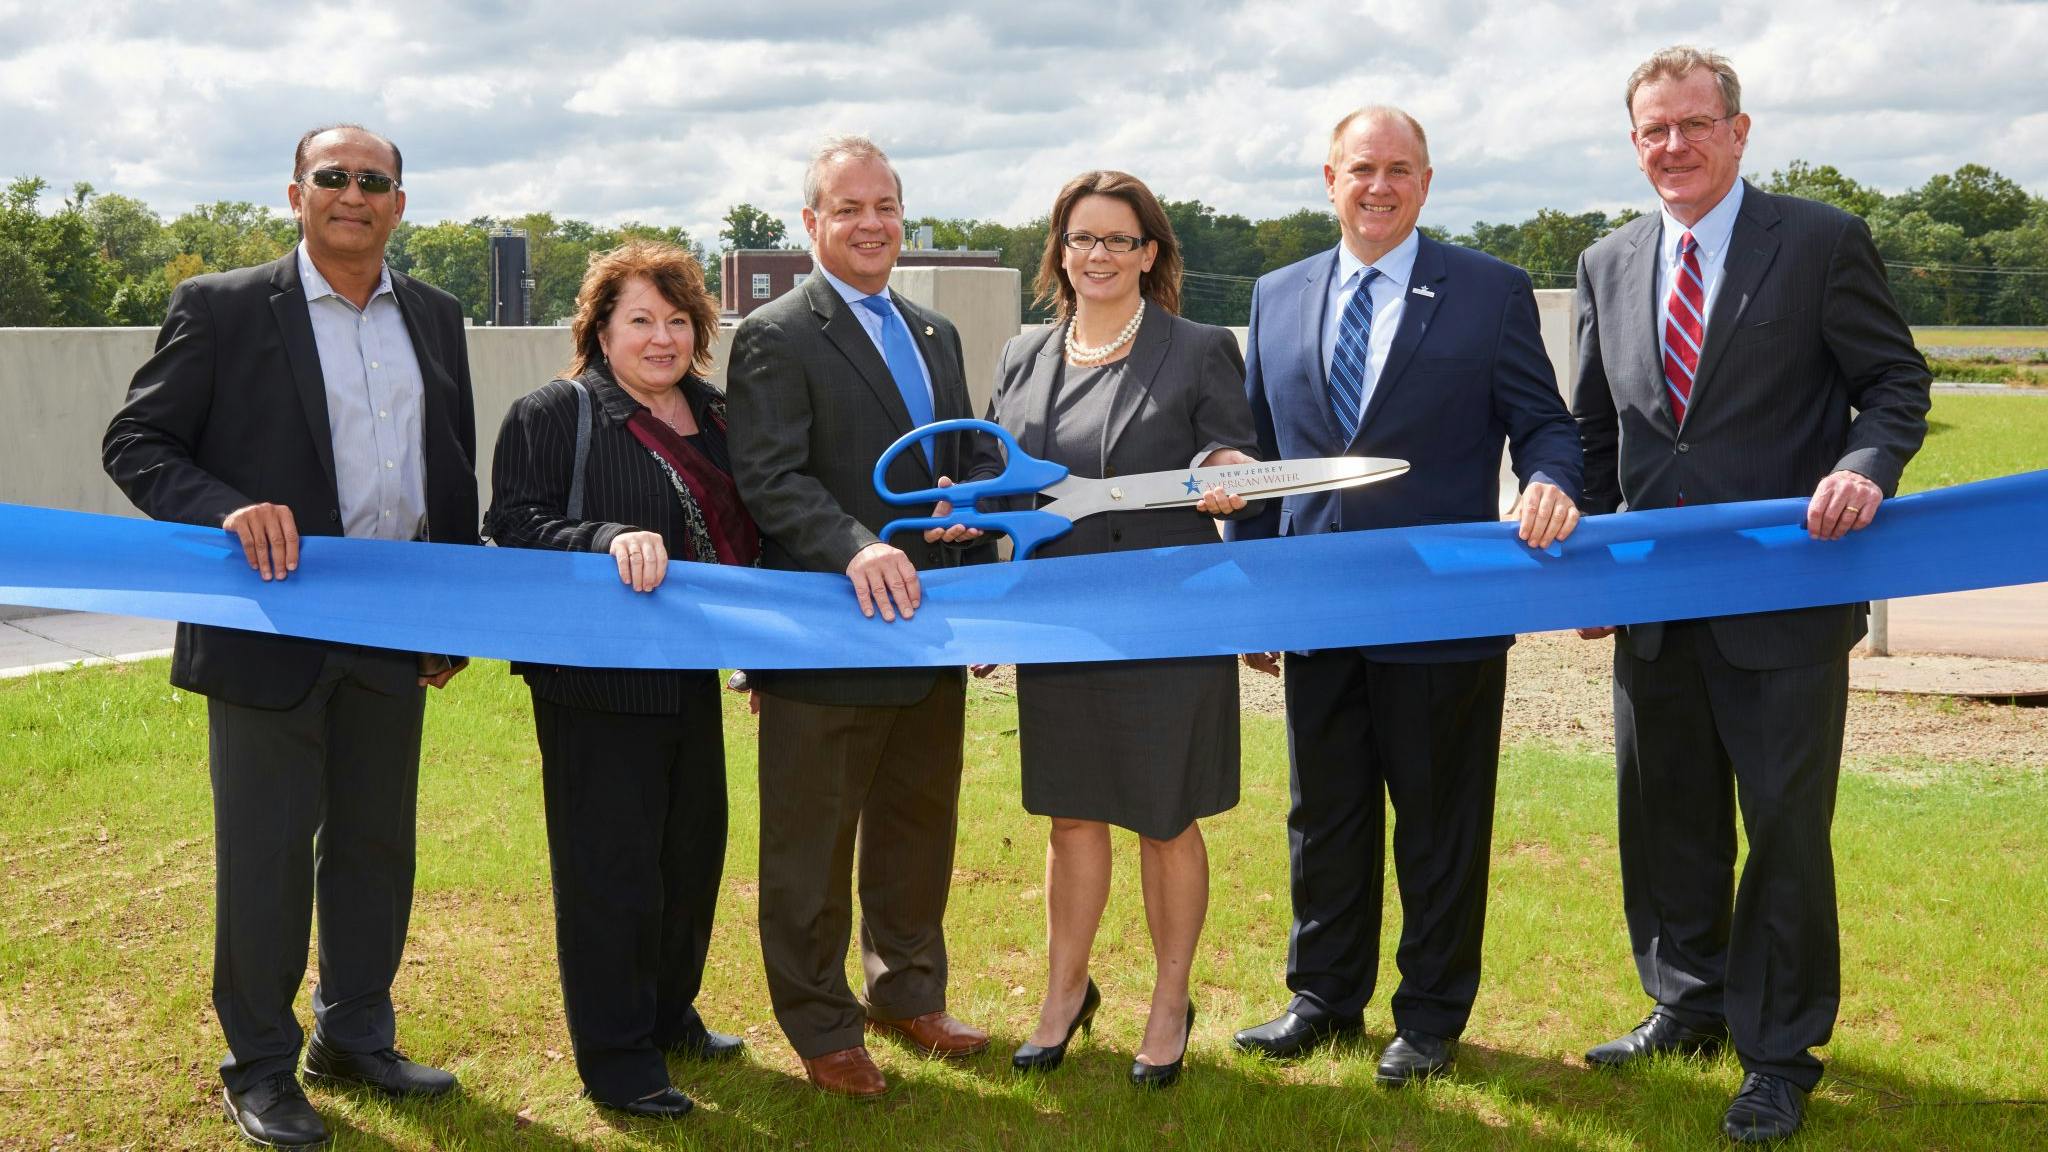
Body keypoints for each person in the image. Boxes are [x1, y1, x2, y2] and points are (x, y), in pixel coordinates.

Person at [1572, 47, 1930, 1143]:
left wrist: (1862, 467)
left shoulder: (1817, 241)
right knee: (1663, 815)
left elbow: (1892, 383)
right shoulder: (1606, 261)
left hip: (1784, 600)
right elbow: (1595, 435)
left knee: (1780, 827)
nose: (1670, 146)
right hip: (1653, 606)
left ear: (1736, 130)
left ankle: (1776, 1051)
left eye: (1690, 124)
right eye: (1651, 130)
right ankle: (1684, 1003)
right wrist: (1590, 560)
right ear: (1633, 144)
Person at [101, 124, 475, 1149]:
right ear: (296, 194)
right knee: (265, 859)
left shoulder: (438, 318)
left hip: (393, 627)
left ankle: (352, 1035)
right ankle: (261, 1068)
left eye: (374, 181)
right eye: (333, 178)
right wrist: (224, 507)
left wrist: (449, 611)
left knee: (374, 847)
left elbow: (451, 471)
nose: (353, 194)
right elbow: (136, 443)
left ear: (400, 201)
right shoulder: (221, 309)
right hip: (265, 631)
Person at [1226, 106, 1584, 1086]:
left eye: (1396, 170)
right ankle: (1321, 999)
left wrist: (1550, 481)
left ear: (1424, 183)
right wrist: (1254, 585)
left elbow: (1546, 427)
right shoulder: (1276, 294)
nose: (1376, 187)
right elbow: (1258, 457)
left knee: (1438, 822)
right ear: (1326, 179)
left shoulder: (1487, 291)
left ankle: (1427, 1017)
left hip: (1441, 614)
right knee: (1323, 815)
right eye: (1358, 170)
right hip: (1313, 607)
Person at [969, 171, 1258, 1088]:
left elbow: (1226, 446)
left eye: (1118, 241)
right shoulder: (1023, 355)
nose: (1097, 256)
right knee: (1072, 812)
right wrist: (966, 521)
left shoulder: (1198, 347)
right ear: (1059, 249)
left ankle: (1170, 1003)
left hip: (1169, 616)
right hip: (1060, 618)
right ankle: (1064, 994)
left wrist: (1228, 473)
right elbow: (1001, 475)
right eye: (1081, 238)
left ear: (1150, 254)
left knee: (1165, 819)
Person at [724, 135, 991, 1098]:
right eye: (848, 209)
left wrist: (972, 509)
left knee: (918, 824)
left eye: (886, 206)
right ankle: (822, 1024)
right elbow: (769, 476)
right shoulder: (775, 334)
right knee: (811, 840)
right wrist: (854, 545)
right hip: (828, 628)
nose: (871, 224)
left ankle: (907, 992)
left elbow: (955, 458)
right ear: (811, 225)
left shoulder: (936, 332)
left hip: (930, 629)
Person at [483, 242, 757, 1119]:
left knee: (690, 851)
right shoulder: (553, 413)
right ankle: (615, 1057)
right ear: (600, 329)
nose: (662, 337)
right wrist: (602, 538)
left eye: (679, 320)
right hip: (592, 681)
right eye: (640, 319)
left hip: (690, 670)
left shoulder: (717, 416)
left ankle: (668, 1014)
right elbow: (513, 523)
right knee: (611, 869)